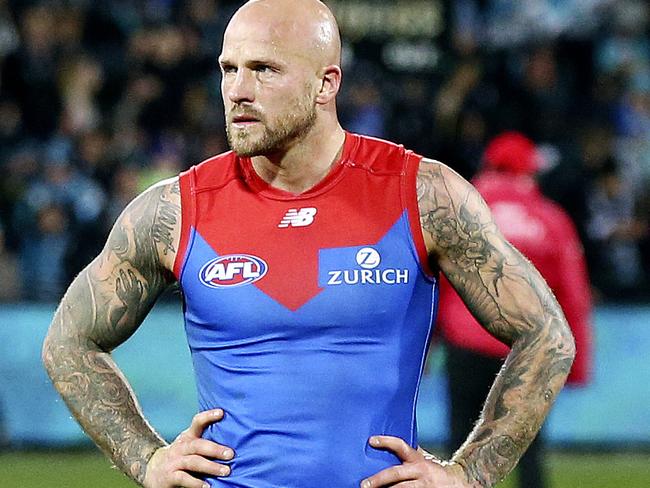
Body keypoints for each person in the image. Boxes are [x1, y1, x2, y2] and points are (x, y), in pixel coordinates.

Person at [42, 1, 576, 487]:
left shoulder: (422, 194)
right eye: (229, 69)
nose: (237, 91)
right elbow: (68, 342)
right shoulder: (174, 211)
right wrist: (146, 459)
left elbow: (546, 334)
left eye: (264, 70)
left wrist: (470, 473)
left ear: (326, 84)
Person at [437, 131, 593, 488]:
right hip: (529, 349)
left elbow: (435, 284)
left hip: (466, 345)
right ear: (530, 172)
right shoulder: (551, 220)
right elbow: (573, 296)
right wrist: (576, 365)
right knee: (529, 451)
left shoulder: (458, 211)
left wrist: (423, 346)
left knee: (457, 451)